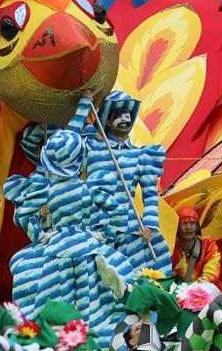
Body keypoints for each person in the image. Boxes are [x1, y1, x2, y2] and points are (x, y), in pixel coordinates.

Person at [4, 129, 134, 350]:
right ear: (80, 158)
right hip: (86, 243)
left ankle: (56, 341)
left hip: (57, 247)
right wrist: (103, 235)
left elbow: (23, 215)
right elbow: (119, 212)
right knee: (94, 288)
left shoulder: (45, 189)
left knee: (54, 293)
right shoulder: (89, 187)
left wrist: (41, 236)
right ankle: (96, 340)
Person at [67, 91, 170, 274]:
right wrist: (84, 104)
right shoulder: (92, 147)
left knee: (131, 279)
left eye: (127, 115)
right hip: (95, 225)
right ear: (107, 121)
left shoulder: (140, 155)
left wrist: (150, 225)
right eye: (119, 116)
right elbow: (68, 139)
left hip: (128, 228)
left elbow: (150, 194)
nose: (125, 119)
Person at [170, 207, 222, 296]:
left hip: (211, 292)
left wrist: (190, 290)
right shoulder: (171, 249)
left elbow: (211, 275)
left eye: (192, 223)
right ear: (177, 226)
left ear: (197, 227)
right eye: (184, 223)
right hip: (180, 296)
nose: (188, 227)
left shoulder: (208, 243)